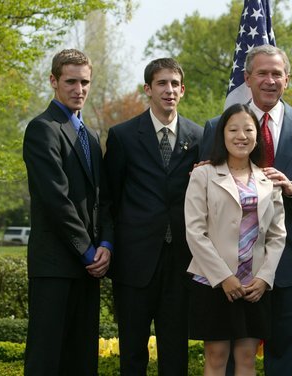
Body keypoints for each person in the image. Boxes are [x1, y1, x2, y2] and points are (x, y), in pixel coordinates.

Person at [200, 45, 292, 375]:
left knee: (284, 349)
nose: (270, 80)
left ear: (287, 80)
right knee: (234, 354)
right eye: (262, 73)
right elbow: (206, 192)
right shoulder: (218, 126)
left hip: (288, 259)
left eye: (277, 74)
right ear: (247, 79)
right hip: (233, 266)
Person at [104, 58, 203, 375]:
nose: (169, 90)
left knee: (175, 354)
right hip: (134, 262)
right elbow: (110, 199)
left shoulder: (200, 138)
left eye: (175, 84)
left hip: (181, 262)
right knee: (132, 353)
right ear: (148, 89)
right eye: (161, 83)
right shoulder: (122, 136)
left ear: (183, 90)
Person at [23, 48, 113, 375]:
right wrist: (88, 251)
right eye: (71, 81)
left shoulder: (90, 134)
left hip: (89, 268)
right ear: (53, 81)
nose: (79, 89)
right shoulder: (42, 129)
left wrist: (106, 246)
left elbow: (102, 197)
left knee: (81, 359)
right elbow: (56, 199)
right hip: (55, 266)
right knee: (47, 359)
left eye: (85, 82)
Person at [185, 103, 286, 376]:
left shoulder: (268, 179)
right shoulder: (203, 174)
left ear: (257, 136)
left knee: (247, 358)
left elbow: (278, 235)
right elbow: (195, 231)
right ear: (222, 134)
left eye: (248, 129)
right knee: (216, 357)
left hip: (254, 284)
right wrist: (224, 278)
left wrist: (265, 278)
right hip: (212, 281)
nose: (241, 136)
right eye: (233, 129)